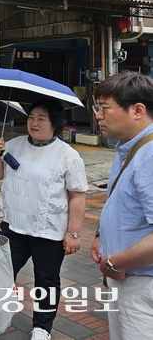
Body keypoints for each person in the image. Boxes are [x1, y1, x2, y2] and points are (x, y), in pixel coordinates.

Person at [0, 98, 87, 340]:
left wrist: (73, 233)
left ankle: (42, 328)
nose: (34, 122)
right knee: (0, 273)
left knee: (46, 281)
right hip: (14, 225)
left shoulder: (68, 155)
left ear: (55, 123)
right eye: (31, 116)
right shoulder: (13, 144)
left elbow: (77, 196)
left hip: (49, 231)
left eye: (41, 118)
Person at [89, 71, 153, 340]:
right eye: (96, 108)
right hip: (128, 281)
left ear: (137, 110)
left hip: (141, 283)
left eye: (104, 109)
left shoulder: (149, 156)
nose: (97, 116)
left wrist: (114, 261)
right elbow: (126, 203)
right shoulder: (129, 147)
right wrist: (101, 235)